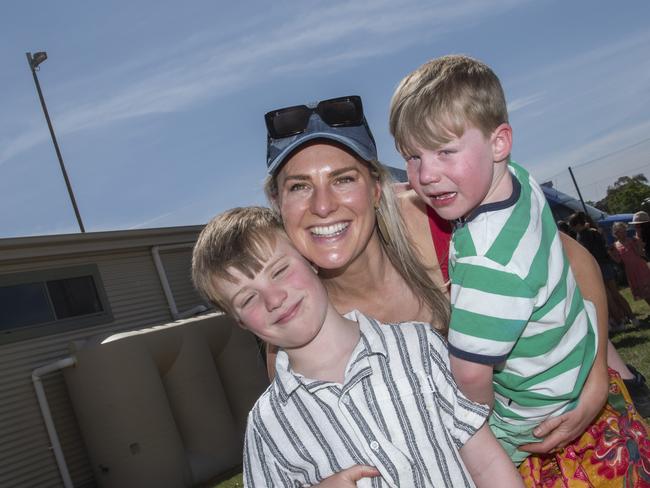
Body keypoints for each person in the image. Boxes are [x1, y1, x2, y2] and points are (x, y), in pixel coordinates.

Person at [263, 94, 650, 486]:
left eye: (344, 179)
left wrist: (598, 371)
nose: (324, 206)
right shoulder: (294, 327)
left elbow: (575, 261)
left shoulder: (439, 221)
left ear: (377, 188)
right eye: (299, 187)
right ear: (277, 203)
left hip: (575, 432)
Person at [191, 206, 524, 488]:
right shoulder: (268, 427)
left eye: (279, 271)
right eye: (248, 298)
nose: (274, 299)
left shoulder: (419, 346)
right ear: (239, 322)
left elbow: (487, 464)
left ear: (310, 261)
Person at [388, 55, 601, 464]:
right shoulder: (515, 179)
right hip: (567, 357)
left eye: (445, 151)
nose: (426, 175)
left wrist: (475, 431)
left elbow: (470, 375)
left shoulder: (490, 264)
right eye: (412, 157)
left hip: (532, 407)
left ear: (499, 142)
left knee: (462, 464)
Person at [569, 211, 638, 331]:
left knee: (607, 297)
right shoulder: (594, 231)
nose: (573, 229)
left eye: (573, 226)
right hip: (606, 264)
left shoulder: (582, 236)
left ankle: (620, 322)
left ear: (578, 225)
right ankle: (633, 318)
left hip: (596, 267)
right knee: (616, 294)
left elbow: (586, 254)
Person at [611, 220, 650, 307]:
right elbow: (618, 261)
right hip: (631, 271)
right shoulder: (615, 245)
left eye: (624, 230)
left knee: (648, 289)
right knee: (642, 292)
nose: (624, 233)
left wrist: (638, 243)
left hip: (641, 267)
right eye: (621, 231)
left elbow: (641, 254)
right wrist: (611, 254)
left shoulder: (633, 240)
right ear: (616, 233)